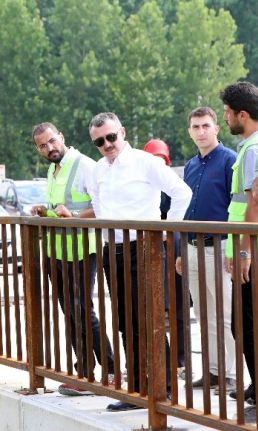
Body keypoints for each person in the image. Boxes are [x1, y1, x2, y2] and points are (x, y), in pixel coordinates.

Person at [87, 112, 192, 412]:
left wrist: (165, 231)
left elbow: (182, 193)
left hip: (145, 247)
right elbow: (96, 200)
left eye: (110, 137)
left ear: (122, 132)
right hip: (113, 250)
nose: (107, 144)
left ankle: (166, 389)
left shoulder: (147, 162)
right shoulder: (97, 170)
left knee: (151, 319)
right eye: (99, 141)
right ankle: (135, 389)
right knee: (125, 321)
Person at [30, 122, 115, 396]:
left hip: (81, 248)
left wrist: (74, 217)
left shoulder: (85, 165)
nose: (49, 148)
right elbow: (61, 208)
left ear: (62, 137)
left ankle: (99, 372)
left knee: (80, 310)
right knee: (72, 311)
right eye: (43, 145)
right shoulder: (52, 169)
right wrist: (46, 212)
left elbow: (101, 205)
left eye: (52, 141)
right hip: (57, 249)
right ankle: (94, 371)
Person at [174, 107, 237, 393]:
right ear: (189, 131)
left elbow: (237, 208)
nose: (201, 131)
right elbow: (186, 210)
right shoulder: (190, 166)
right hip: (192, 247)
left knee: (224, 314)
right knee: (202, 314)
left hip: (219, 247)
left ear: (216, 129)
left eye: (206, 126)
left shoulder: (229, 161)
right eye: (196, 127)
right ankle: (212, 372)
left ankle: (230, 374)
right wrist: (180, 251)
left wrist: (234, 251)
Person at [220, 82, 258, 404]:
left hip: (250, 250)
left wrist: (243, 251)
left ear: (242, 114)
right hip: (245, 247)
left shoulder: (253, 149)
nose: (225, 118)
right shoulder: (250, 146)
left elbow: (253, 203)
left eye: (227, 112)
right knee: (244, 321)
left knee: (246, 322)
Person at [143, 139, 188, 376]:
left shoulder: (172, 184)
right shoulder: (142, 184)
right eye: (154, 159)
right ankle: (159, 358)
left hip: (174, 246)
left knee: (178, 306)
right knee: (155, 306)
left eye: (162, 159)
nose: (158, 164)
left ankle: (180, 359)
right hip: (151, 249)